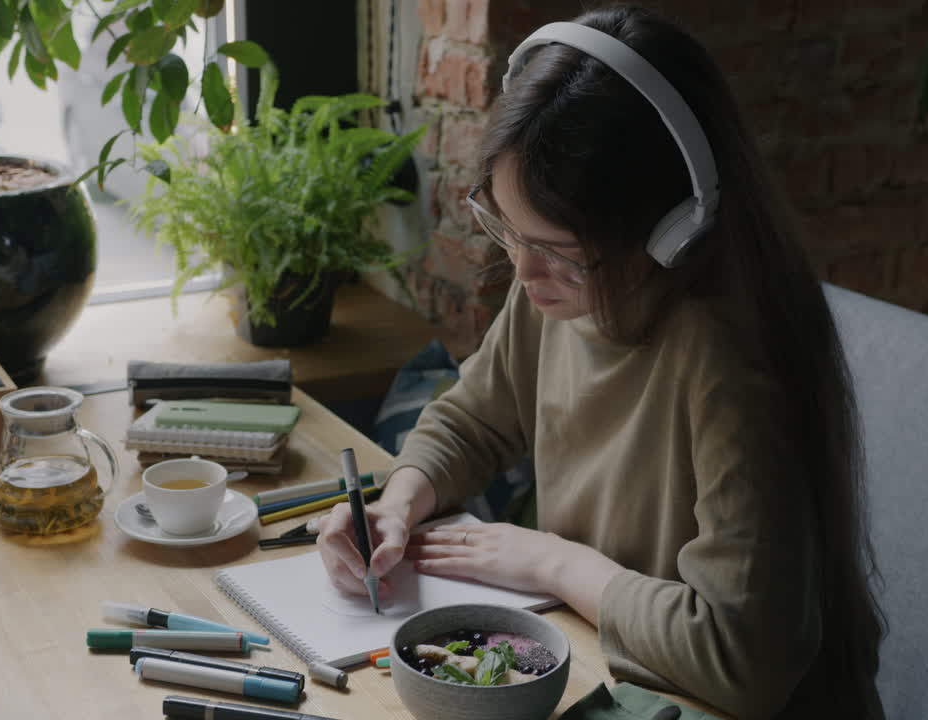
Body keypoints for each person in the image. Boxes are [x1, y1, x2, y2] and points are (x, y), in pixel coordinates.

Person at [315, 4, 884, 719]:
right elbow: (474, 420)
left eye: (554, 250)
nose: (522, 272)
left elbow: (741, 656)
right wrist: (398, 503)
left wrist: (554, 561)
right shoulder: (565, 287)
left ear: (670, 231)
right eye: (506, 226)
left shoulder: (732, 365)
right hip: (610, 677)